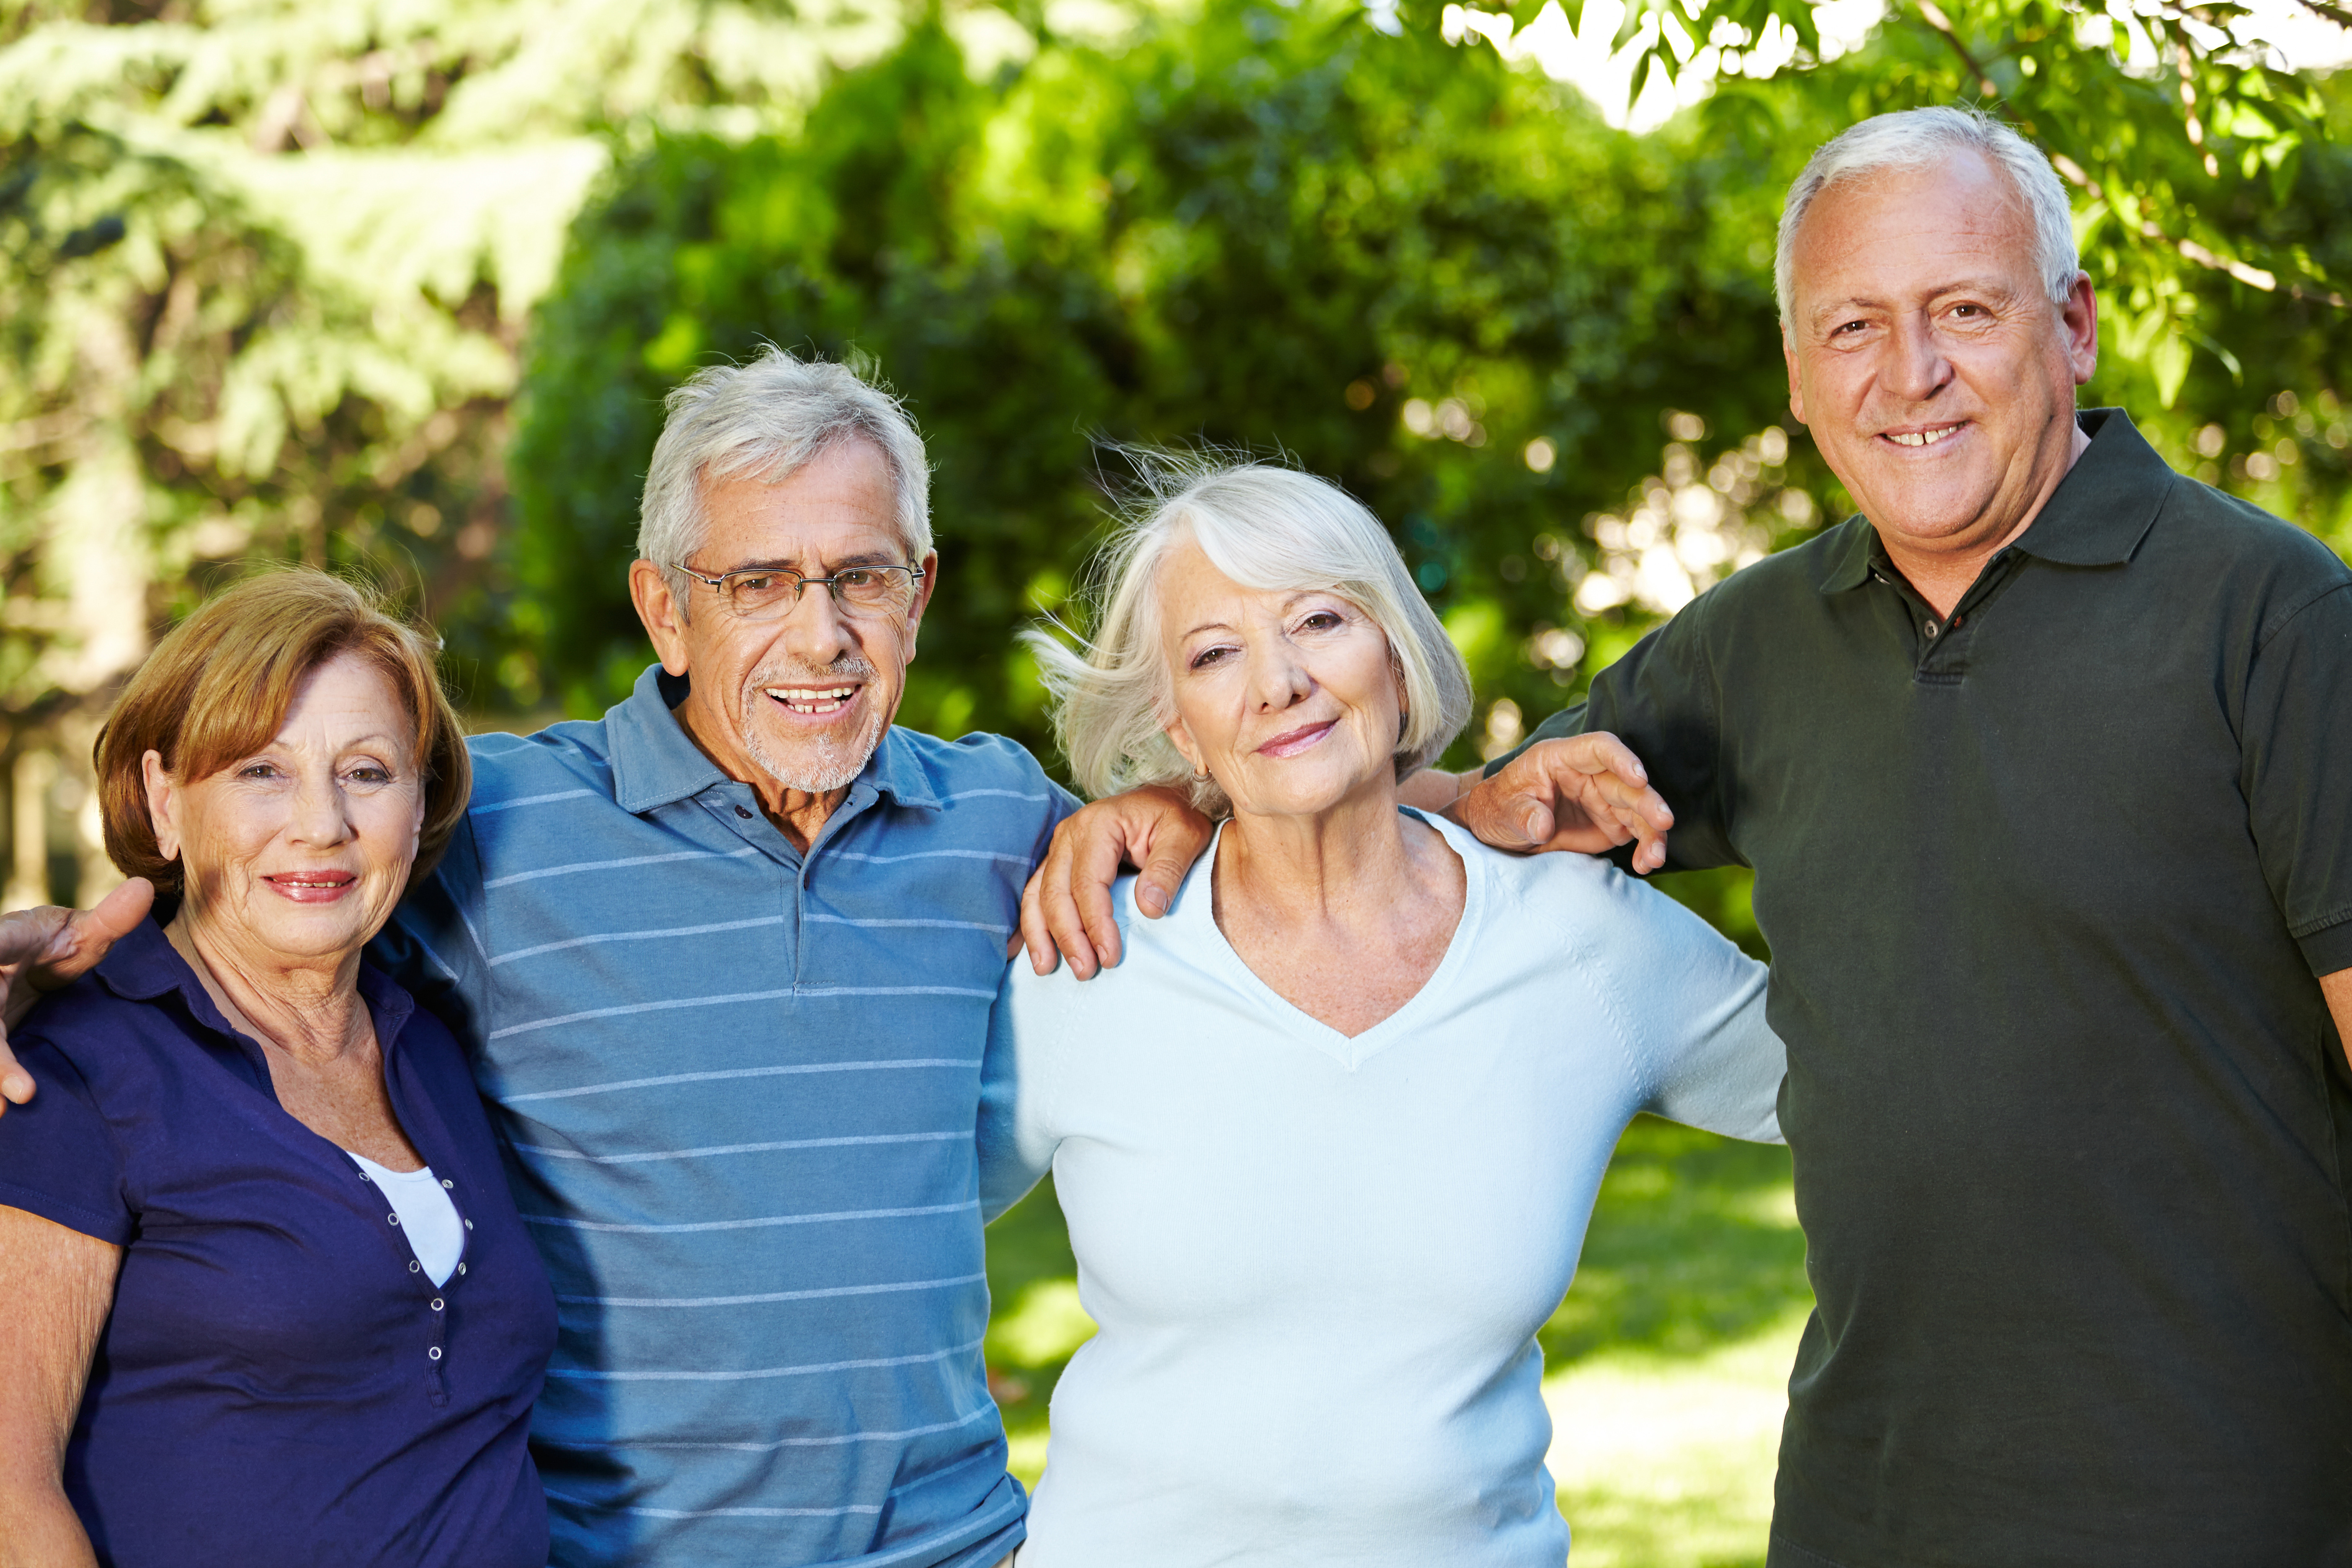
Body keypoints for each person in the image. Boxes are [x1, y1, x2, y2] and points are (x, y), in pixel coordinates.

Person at [0, 350, 1672, 1568]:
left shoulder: (1001, 823)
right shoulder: (493, 832)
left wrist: (1468, 790)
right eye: (760, 585)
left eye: (861, 578)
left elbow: (1274, 781)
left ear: (922, 591)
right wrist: (50, 948)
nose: (820, 637)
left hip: (957, 1552)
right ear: (665, 610)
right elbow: (277, 861)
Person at [1023, 107, 2352, 1567]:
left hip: (2224, 1483)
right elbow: (1448, 786)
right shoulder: (1752, 645)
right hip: (1869, 1499)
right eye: (1849, 325)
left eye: (1961, 311)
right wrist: (1184, 796)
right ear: (1795, 373)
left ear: (2074, 323)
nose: (1906, 374)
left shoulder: (2271, 618)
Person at [979, 459, 1785, 1565]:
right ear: (1179, 723)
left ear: (1397, 657)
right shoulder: (1090, 955)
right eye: (1217, 653)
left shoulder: (1577, 940)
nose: (1279, 682)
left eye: (1317, 619)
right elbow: (872, 1245)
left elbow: (1881, 1078)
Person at [0, 570, 557, 1568]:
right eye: (262, 770)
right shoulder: (74, 1072)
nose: (322, 824)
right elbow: (11, 1502)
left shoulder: (430, 1039)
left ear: (421, 803)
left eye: (368, 772)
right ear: (164, 801)